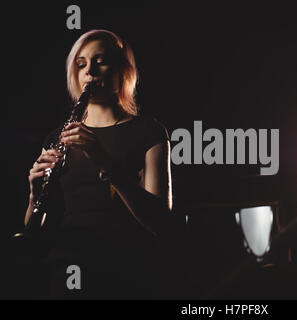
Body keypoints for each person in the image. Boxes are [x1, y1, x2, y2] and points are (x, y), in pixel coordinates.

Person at [24, 29, 186, 299]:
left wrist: (105, 162)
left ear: (123, 70)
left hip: (129, 273)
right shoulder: (56, 138)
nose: (90, 70)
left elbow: (161, 221)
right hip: (67, 272)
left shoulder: (149, 131)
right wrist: (34, 193)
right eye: (82, 64)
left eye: (101, 61)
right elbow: (34, 230)